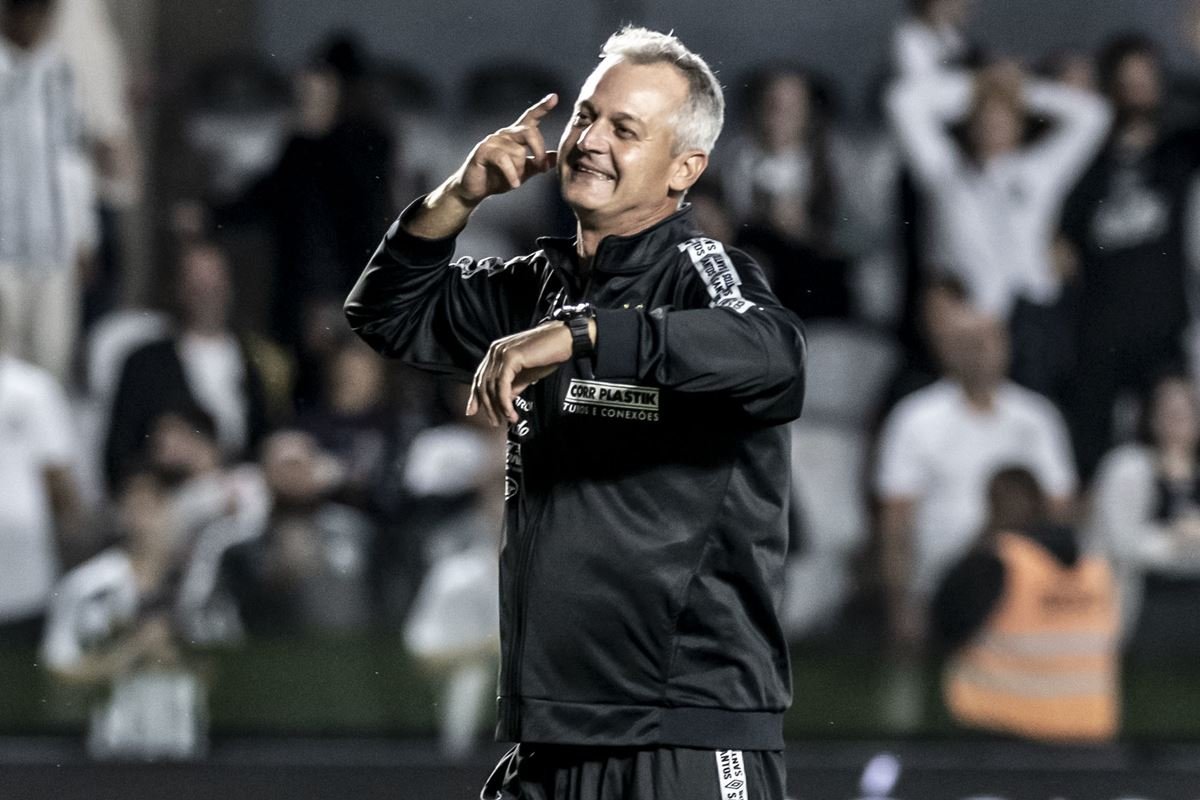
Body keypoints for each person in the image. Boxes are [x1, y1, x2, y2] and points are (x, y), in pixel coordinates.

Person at [345, 26, 806, 800]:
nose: (590, 141)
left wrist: (585, 335)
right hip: (552, 739)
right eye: (588, 116)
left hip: (687, 735)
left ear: (684, 169)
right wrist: (457, 197)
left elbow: (774, 354)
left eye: (626, 129)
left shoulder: (700, 271)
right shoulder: (541, 284)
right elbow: (385, 313)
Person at [886, 59, 1111, 398]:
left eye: (1004, 115)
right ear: (969, 122)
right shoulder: (945, 173)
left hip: (1031, 326)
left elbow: (1093, 114)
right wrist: (980, 85)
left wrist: (1019, 89)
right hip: (962, 322)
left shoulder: (1041, 171)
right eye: (983, 115)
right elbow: (903, 101)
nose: (992, 123)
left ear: (1020, 124)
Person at [875, 310, 1077, 650]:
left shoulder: (1037, 418)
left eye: (987, 340)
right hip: (938, 585)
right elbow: (896, 519)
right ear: (946, 350)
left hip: (1019, 588)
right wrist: (901, 603)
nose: (979, 351)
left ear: (1006, 346)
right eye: (966, 342)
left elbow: (1059, 508)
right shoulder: (915, 419)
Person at [1059, 35, 1200, 480]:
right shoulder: (1085, 161)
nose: (1139, 90)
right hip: (1100, 328)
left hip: (1162, 326)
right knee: (1090, 448)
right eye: (1128, 81)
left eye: (1146, 79)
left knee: (1178, 443)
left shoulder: (1176, 152)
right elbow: (1061, 241)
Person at [934, 467, 1119, 742]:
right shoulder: (1095, 567)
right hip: (1087, 731)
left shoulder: (993, 563)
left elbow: (945, 626)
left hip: (1000, 728)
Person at [0, 0, 97, 384]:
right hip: (3, 246)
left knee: (51, 361)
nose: (34, 22)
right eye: (26, 12)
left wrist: (84, 233)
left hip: (52, 245)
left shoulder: (59, 73)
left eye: (42, 13)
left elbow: (71, 161)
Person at [1089, 372, 1200, 655]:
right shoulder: (1126, 467)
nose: (1178, 421)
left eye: (1186, 413)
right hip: (1137, 597)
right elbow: (1122, 545)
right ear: (1151, 418)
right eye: (1169, 413)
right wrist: (1175, 540)